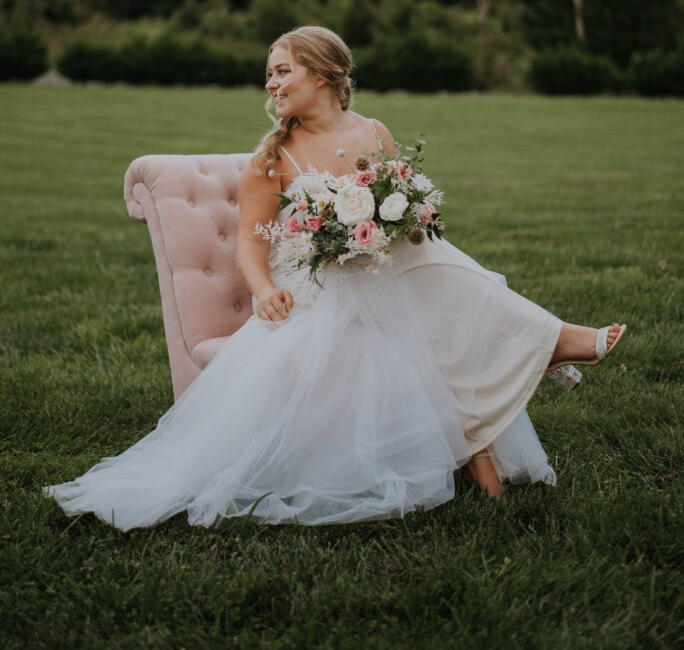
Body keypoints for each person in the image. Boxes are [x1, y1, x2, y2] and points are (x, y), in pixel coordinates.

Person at [43, 27, 627, 528]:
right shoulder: (273, 157)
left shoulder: (374, 132)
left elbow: (403, 214)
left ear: (322, 73)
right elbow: (251, 241)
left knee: (432, 265)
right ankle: (550, 343)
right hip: (316, 284)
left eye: (280, 71)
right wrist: (265, 290)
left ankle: (540, 354)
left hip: (386, 266)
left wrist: (408, 215)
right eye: (267, 75)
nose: (271, 84)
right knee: (438, 291)